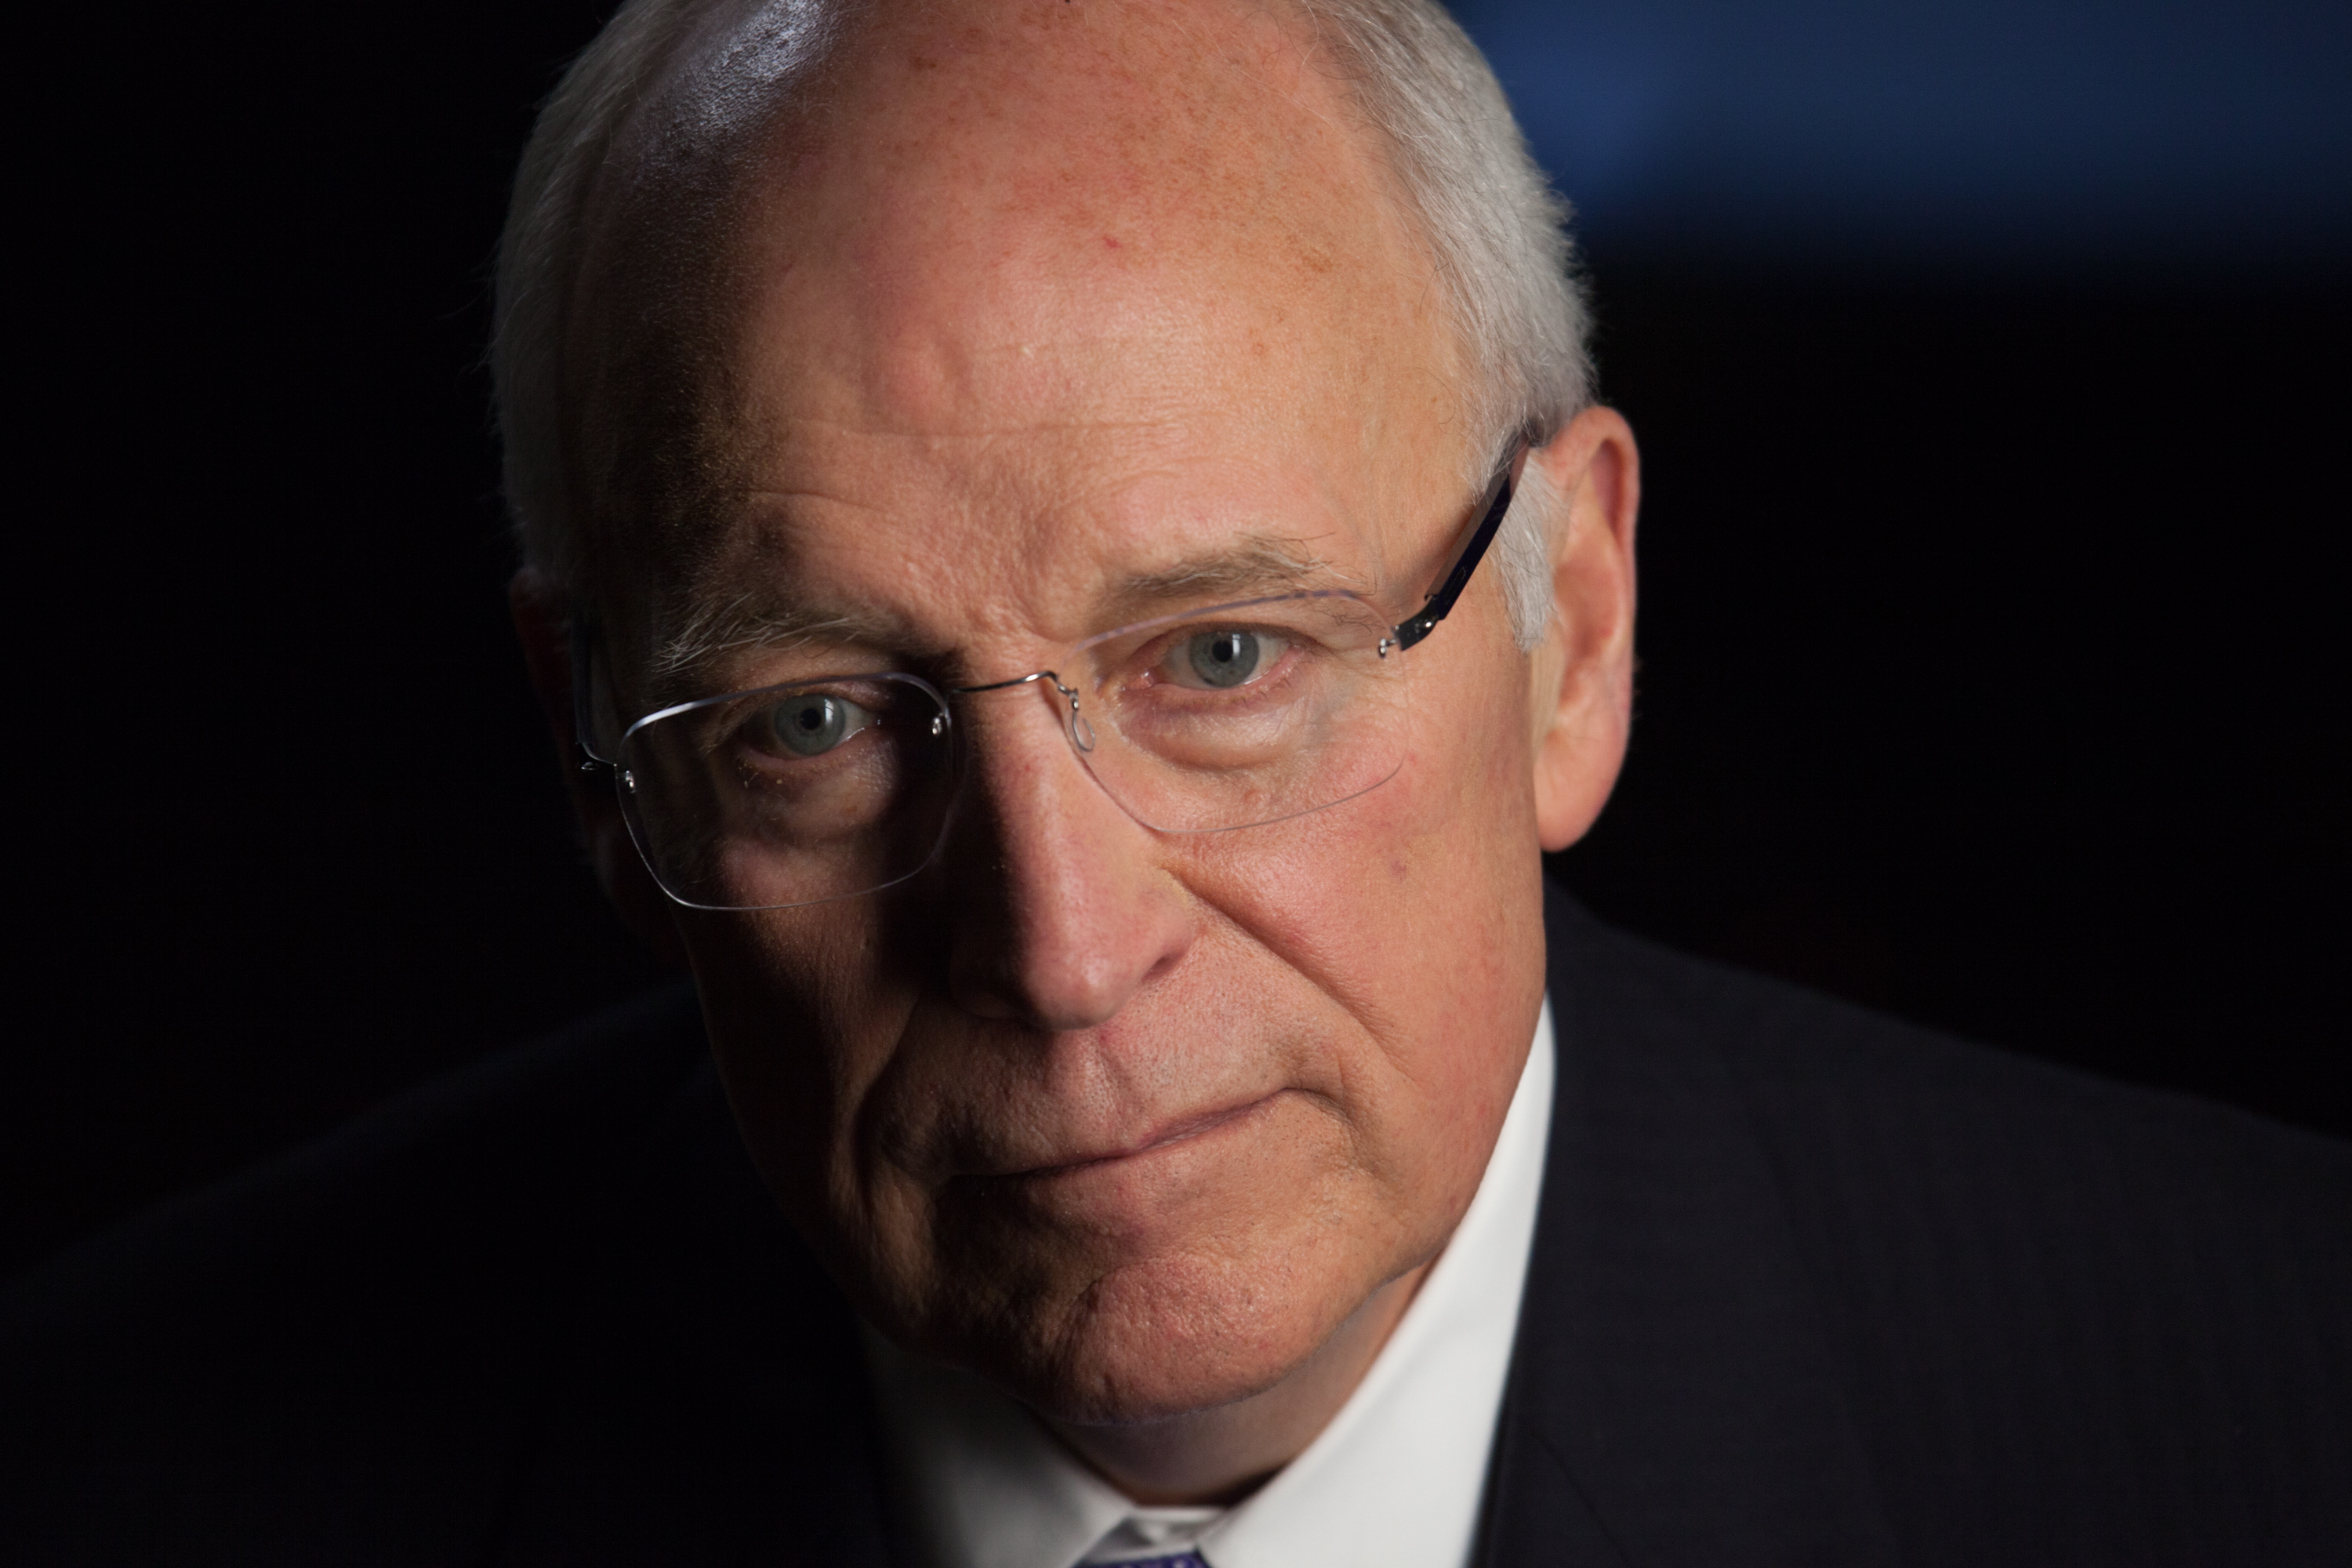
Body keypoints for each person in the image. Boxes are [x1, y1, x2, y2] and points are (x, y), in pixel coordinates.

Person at [4, 0, 2347, 1562]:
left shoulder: (2262, 1412)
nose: (1060, 946)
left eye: (1223, 657)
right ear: (604, 776)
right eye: (818, 718)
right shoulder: (123, 1477)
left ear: (1579, 630)